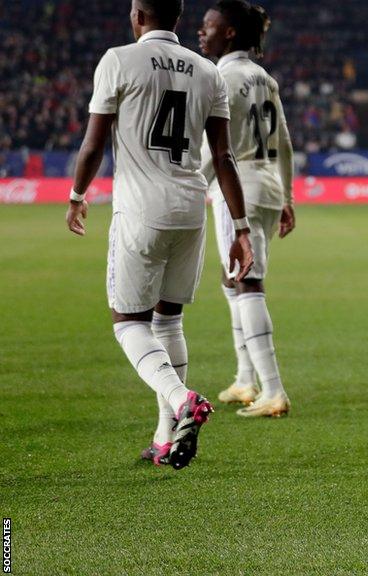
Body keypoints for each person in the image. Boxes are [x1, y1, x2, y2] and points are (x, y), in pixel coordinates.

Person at [65, 0, 254, 468]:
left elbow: (93, 144)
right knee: (169, 321)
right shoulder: (207, 71)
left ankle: (181, 399)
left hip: (140, 209)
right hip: (192, 207)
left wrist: (76, 195)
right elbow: (224, 158)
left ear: (137, 17)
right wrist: (242, 229)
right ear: (179, 19)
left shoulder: (118, 60)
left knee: (129, 322)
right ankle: (165, 437)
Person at [199, 0, 294, 417]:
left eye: (209, 26)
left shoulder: (221, 76)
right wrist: (288, 197)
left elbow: (213, 149)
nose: (202, 33)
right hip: (269, 185)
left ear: (230, 32)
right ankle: (244, 378)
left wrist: (187, 187)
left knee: (248, 284)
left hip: (240, 188)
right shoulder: (264, 77)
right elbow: (286, 143)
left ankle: (272, 390)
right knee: (231, 278)